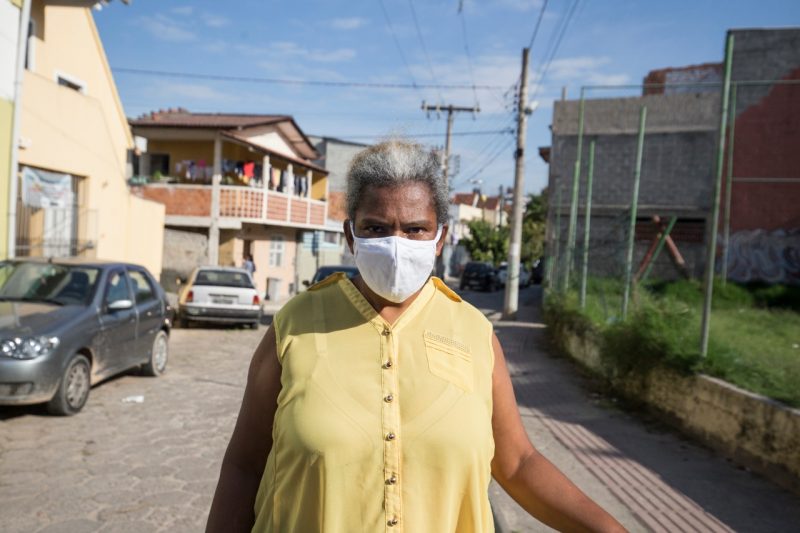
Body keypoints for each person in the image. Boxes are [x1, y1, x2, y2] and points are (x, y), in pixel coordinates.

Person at [206, 140, 626, 533]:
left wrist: (607, 528)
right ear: (350, 234)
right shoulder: (294, 327)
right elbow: (244, 466)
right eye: (374, 228)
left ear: (440, 236)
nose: (395, 244)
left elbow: (517, 463)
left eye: (415, 229)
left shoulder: (476, 334)